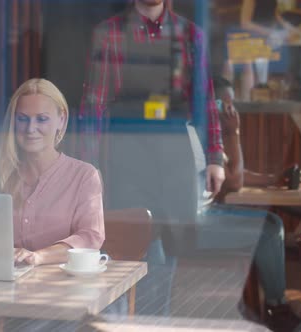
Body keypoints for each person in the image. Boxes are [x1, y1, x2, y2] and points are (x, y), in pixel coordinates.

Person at [79, 0, 224, 316]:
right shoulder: (109, 33)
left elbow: (205, 100)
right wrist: (89, 169)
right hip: (125, 154)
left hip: (174, 154)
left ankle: (155, 319)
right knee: (135, 246)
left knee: (168, 250)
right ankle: (140, 319)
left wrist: (216, 156)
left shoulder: (190, 35)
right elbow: (93, 105)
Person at [199, 76, 301, 331]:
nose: (231, 110)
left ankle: (276, 305)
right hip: (196, 224)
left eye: (233, 103)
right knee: (268, 230)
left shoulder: (213, 137)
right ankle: (277, 308)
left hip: (210, 212)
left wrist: (272, 179)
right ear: (213, 106)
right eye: (225, 104)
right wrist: (233, 132)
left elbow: (236, 173)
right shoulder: (205, 135)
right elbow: (234, 181)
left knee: (271, 222)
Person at [0, 78, 105, 266]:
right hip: (4, 281)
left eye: (42, 119)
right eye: (22, 119)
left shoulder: (84, 176)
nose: (30, 129)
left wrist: (38, 257)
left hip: (65, 284)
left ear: (62, 119)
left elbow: (90, 237)